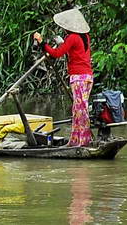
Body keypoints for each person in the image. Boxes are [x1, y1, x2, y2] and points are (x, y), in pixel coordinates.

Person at [33, 8, 93, 147]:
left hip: (78, 77)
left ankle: (81, 142)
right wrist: (62, 43)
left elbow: (56, 54)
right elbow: (75, 52)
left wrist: (42, 43)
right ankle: (78, 140)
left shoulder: (72, 37)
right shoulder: (85, 36)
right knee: (79, 109)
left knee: (80, 110)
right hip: (87, 76)